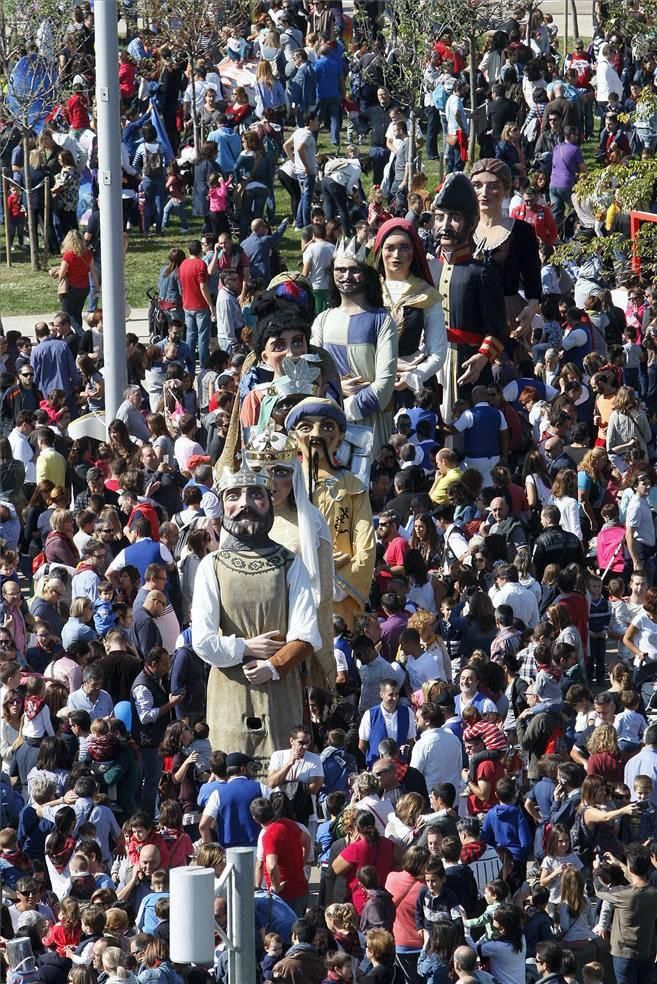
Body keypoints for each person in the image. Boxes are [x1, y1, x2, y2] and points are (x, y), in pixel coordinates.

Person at [191, 463, 320, 769]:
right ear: (223, 504)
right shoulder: (212, 565)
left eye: (255, 495)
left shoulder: (291, 563)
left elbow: (307, 635)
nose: (245, 504)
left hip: (280, 692)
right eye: (234, 495)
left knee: (283, 784)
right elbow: (203, 641)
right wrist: (245, 648)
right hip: (229, 693)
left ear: (270, 500)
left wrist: (273, 665)